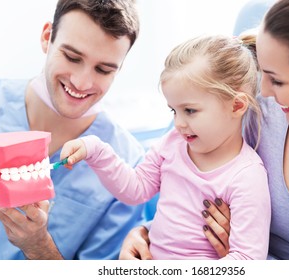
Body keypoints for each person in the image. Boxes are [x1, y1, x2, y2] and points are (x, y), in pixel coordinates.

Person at [121, 0, 289, 260]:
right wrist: (145, 234)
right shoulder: (252, 109)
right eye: (265, 73)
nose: (265, 91)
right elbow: (180, 179)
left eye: (278, 81)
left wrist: (243, 259)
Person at [60, 34, 271, 260]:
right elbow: (135, 189)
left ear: (237, 105)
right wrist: (95, 149)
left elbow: (247, 260)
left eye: (190, 111)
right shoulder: (172, 144)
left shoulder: (247, 177)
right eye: (174, 110)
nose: (178, 123)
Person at [0, 0, 146, 260]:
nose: (82, 82)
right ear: (47, 38)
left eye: (103, 69)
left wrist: (39, 246)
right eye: (72, 57)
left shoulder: (129, 169)